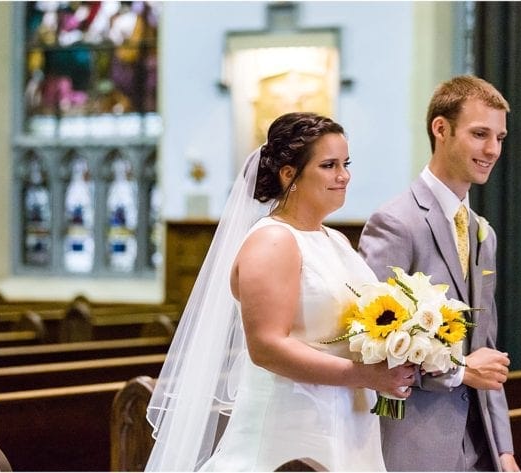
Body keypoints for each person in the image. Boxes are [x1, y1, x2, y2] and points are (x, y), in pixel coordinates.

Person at [146, 113, 416, 471]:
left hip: (348, 422)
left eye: (345, 164)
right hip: (290, 428)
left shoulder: (332, 239)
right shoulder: (273, 241)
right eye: (329, 165)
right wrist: (366, 375)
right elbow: (267, 347)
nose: (344, 175)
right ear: (289, 174)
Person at [358, 75, 520, 472]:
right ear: (441, 129)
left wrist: (503, 450)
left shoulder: (483, 231)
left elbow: (488, 352)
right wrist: (461, 372)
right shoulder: (395, 222)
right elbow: (370, 344)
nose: (492, 150)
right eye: (480, 134)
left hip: (479, 446)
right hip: (417, 441)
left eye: (499, 137)